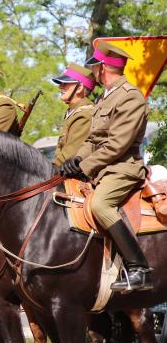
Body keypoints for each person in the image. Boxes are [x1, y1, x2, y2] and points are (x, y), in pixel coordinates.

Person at [61, 40, 151, 292]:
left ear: (102, 68)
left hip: (123, 167)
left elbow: (117, 145)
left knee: (100, 204)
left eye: (94, 67)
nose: (93, 73)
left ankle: (139, 269)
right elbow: (92, 139)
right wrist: (75, 160)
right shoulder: (104, 97)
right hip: (102, 166)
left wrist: (85, 166)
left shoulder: (130, 97)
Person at [51, 63, 96, 167]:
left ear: (79, 88)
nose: (60, 86)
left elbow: (68, 157)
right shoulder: (74, 112)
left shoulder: (84, 114)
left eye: (65, 83)